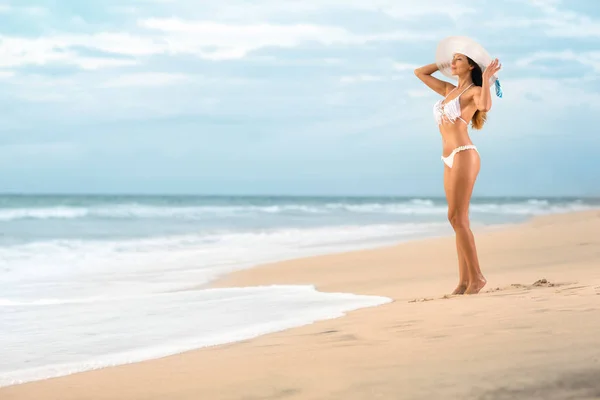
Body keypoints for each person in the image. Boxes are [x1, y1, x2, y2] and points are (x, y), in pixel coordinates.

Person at [414, 36, 502, 295]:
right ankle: (464, 281)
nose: (453, 62)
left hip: (464, 153)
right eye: (452, 58)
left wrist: (486, 80)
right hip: (448, 158)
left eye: (458, 59)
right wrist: (443, 61)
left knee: (457, 217)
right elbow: (419, 72)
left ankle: (477, 278)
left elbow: (485, 105)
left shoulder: (474, 92)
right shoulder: (447, 90)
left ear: (471, 66)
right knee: (457, 219)